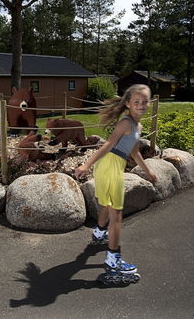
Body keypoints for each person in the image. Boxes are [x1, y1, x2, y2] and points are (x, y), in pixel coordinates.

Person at [74, 84, 157, 281]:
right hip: (110, 166)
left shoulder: (138, 126)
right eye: (136, 102)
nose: (141, 105)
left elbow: (134, 152)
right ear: (128, 104)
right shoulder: (126, 123)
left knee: (106, 203)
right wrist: (86, 165)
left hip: (111, 165)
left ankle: (99, 232)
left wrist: (149, 171)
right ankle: (113, 262)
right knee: (117, 216)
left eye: (145, 101)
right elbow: (109, 144)